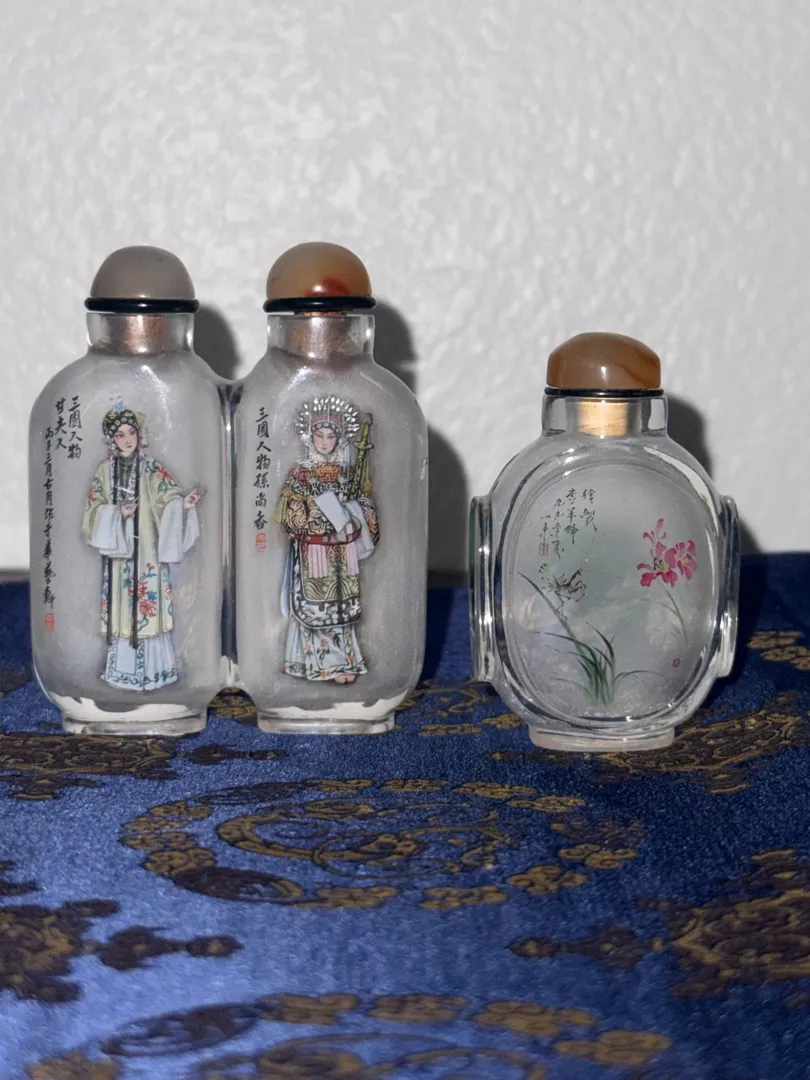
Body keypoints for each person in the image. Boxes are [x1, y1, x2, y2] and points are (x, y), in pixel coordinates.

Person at [82, 406, 200, 691]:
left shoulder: (151, 468)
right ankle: (121, 673)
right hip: (119, 558)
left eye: (131, 433)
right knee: (123, 605)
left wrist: (182, 505)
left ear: (139, 435)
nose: (127, 439)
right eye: (120, 435)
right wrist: (116, 514)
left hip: (147, 551)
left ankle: (156, 672)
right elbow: (92, 513)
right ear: (112, 439)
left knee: (148, 603)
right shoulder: (104, 472)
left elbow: (169, 497)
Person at [274, 395, 379, 682]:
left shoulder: (348, 473)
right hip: (314, 553)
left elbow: (365, 506)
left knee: (340, 609)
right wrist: (323, 515)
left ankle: (344, 662)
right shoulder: (300, 473)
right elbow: (290, 514)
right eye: (319, 435)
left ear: (338, 439)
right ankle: (316, 664)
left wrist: (354, 512)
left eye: (330, 436)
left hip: (343, 555)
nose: (324, 442)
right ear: (311, 437)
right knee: (315, 608)